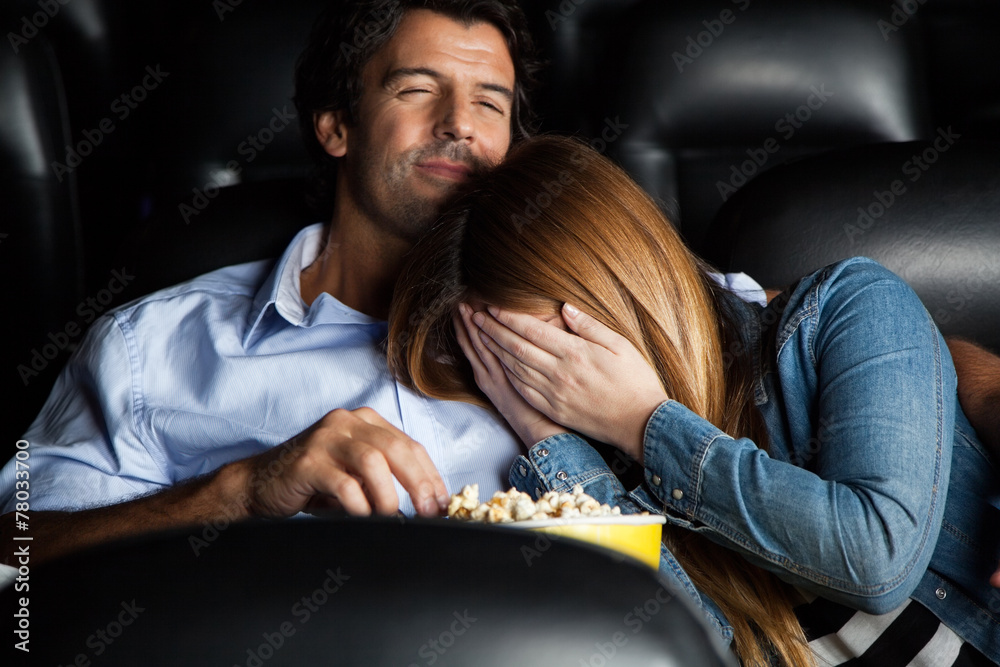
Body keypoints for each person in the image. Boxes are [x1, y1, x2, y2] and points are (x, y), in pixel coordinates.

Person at [388, 135, 1000, 666]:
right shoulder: (616, 474)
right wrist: (549, 440)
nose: (558, 386)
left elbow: (874, 558)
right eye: (517, 371)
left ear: (625, 287)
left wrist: (646, 422)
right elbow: (685, 649)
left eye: (558, 353)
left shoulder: (853, 307)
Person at [0, 0, 546, 565]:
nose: (460, 121)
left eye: (488, 102)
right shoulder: (146, 349)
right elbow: (10, 557)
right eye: (417, 90)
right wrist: (238, 494)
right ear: (336, 125)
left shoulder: (575, 332)